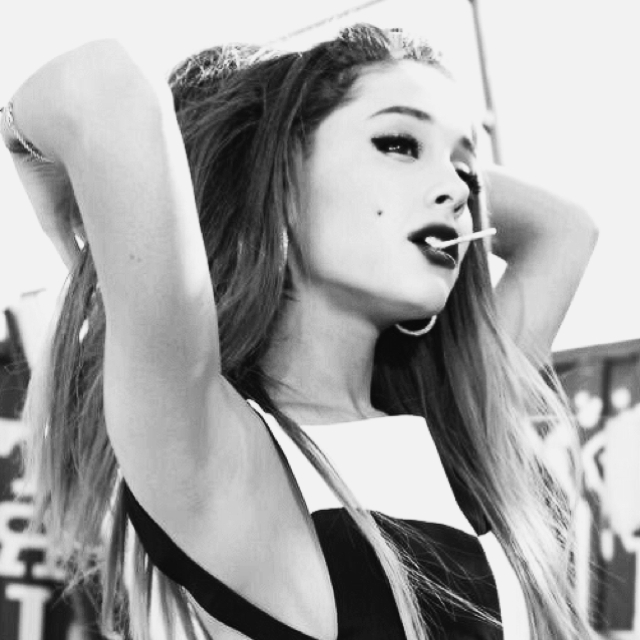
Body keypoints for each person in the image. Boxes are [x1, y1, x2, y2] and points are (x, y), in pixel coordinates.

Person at [0, 24, 598, 640]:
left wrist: (426, 141)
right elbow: (103, 84)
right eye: (398, 143)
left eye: (466, 175)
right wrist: (28, 148)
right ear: (280, 179)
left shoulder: (460, 426)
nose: (455, 192)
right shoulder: (216, 446)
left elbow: (566, 230)